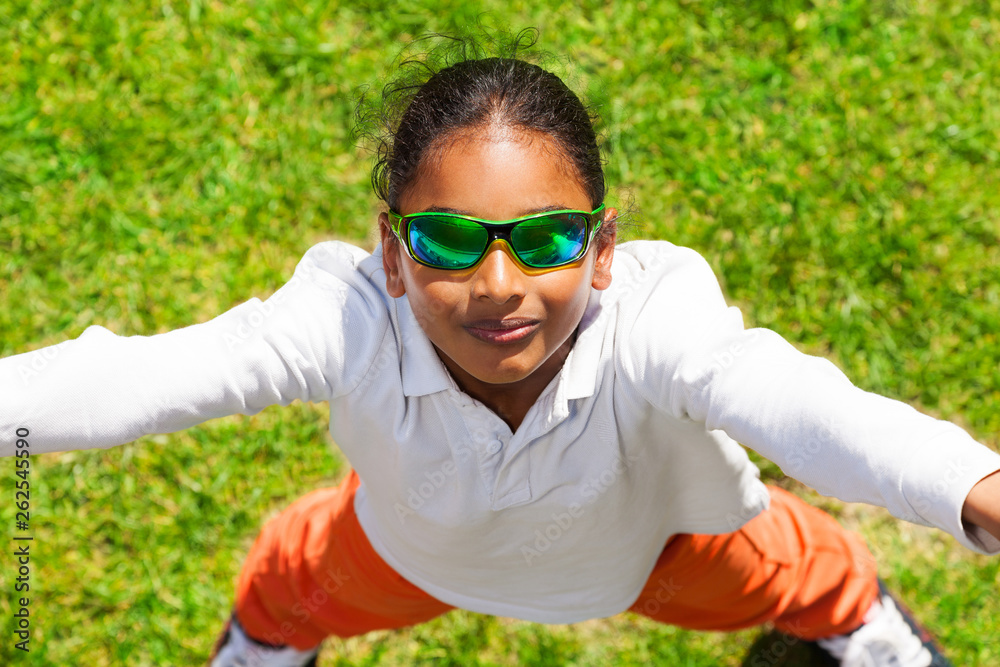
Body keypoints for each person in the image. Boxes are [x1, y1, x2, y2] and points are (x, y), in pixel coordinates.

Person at [2, 32, 999, 667]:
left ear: (604, 248)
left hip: (655, 551)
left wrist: (968, 484)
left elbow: (796, 403)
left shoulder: (656, 318)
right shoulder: (348, 316)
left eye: (546, 238)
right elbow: (141, 377)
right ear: (390, 251)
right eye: (445, 239)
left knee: (816, 577)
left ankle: (857, 628)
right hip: (419, 550)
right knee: (284, 586)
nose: (496, 284)